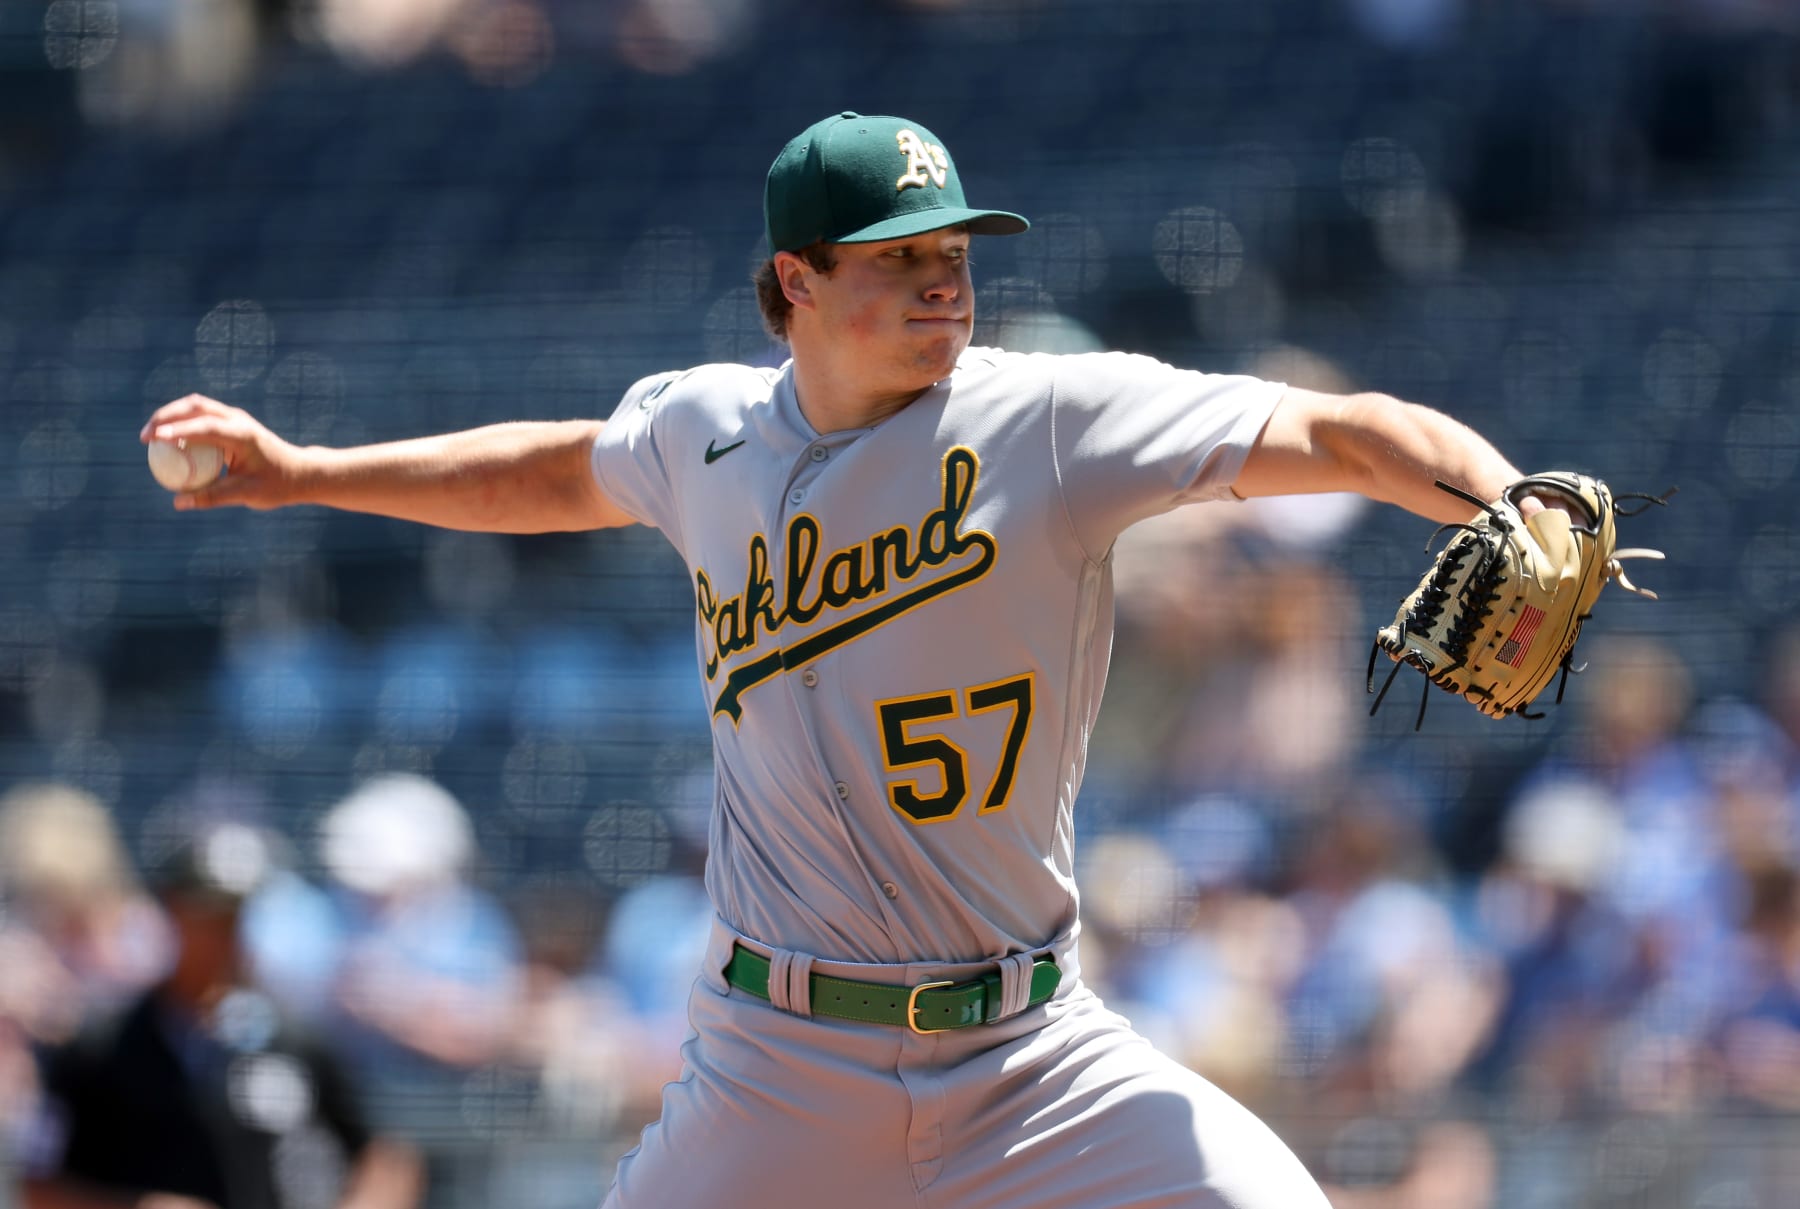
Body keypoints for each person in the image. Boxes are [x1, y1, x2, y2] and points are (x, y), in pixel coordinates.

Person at [141, 110, 1574, 1208]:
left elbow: (1339, 430)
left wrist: (1513, 496)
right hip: (777, 1061)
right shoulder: (700, 430)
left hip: (1028, 1054)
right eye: (902, 260)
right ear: (797, 279)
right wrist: (304, 472)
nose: (947, 284)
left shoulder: (1049, 420)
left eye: (954, 255)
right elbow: (541, 468)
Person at [19, 821, 424, 1209]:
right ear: (171, 912)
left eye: (235, 915)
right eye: (208, 916)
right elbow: (38, 1185)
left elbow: (387, 1157)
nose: (226, 932)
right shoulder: (101, 1047)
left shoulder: (291, 1041)